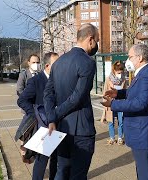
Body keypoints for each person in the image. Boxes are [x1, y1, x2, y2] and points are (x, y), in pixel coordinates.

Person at [43, 23, 99, 180]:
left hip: (61, 128)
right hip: (81, 131)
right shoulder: (88, 62)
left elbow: (48, 93)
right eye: (97, 40)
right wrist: (54, 114)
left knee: (62, 171)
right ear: (90, 39)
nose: (97, 45)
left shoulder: (58, 62)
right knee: (78, 175)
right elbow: (77, 97)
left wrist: (52, 118)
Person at [101, 44, 148, 180]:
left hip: (143, 132)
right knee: (142, 171)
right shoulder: (144, 73)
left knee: (146, 174)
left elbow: (141, 103)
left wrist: (113, 104)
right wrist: (119, 93)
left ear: (139, 58)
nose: (127, 61)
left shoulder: (146, 74)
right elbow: (136, 93)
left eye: (130, 57)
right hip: (141, 131)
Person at [17, 52, 59, 180]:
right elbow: (22, 100)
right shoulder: (35, 81)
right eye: (57, 64)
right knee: (41, 161)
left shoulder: (59, 79)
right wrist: (35, 114)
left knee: (56, 160)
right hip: (43, 127)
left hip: (59, 125)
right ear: (47, 66)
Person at [100, 61, 126, 145]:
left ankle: (120, 138)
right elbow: (105, 91)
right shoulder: (108, 79)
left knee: (120, 121)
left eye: (121, 71)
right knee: (110, 121)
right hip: (110, 103)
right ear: (114, 70)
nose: (120, 73)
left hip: (120, 103)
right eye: (118, 71)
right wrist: (105, 101)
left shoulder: (123, 79)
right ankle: (112, 137)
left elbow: (125, 91)